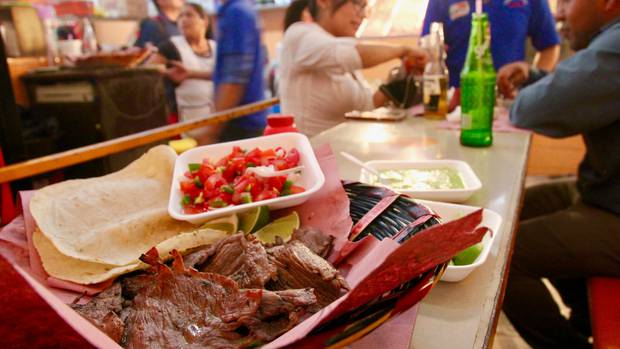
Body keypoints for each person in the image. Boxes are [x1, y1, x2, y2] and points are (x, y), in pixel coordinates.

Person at [497, 0, 620, 347]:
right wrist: (535, 76)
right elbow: (583, 88)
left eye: (566, 0)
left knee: (504, 257)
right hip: (602, 194)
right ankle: (584, 318)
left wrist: (532, 90)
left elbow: (532, 110)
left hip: (611, 212)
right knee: (513, 208)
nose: (558, 12)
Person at [278, 0, 428, 137]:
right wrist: (403, 51)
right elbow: (351, 53)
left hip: (340, 154)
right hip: (309, 157)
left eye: (365, 8)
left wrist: (402, 77)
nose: (362, 15)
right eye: (357, 3)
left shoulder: (341, 48)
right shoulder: (299, 34)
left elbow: (366, 104)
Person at [422, 0, 561, 110]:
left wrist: (534, 89)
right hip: (455, 105)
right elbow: (427, 47)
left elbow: (550, 46)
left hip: (508, 104)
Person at [147, 3, 218, 144]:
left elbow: (223, 77)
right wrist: (166, 73)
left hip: (214, 117)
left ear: (204, 20)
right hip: (183, 120)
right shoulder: (170, 47)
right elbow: (148, 70)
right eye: (180, 16)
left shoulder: (216, 47)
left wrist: (191, 74)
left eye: (189, 15)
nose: (183, 19)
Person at [213, 0, 267, 142]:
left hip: (240, 122)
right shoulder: (241, 9)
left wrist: (211, 131)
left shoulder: (236, 12)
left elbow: (235, 79)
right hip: (244, 119)